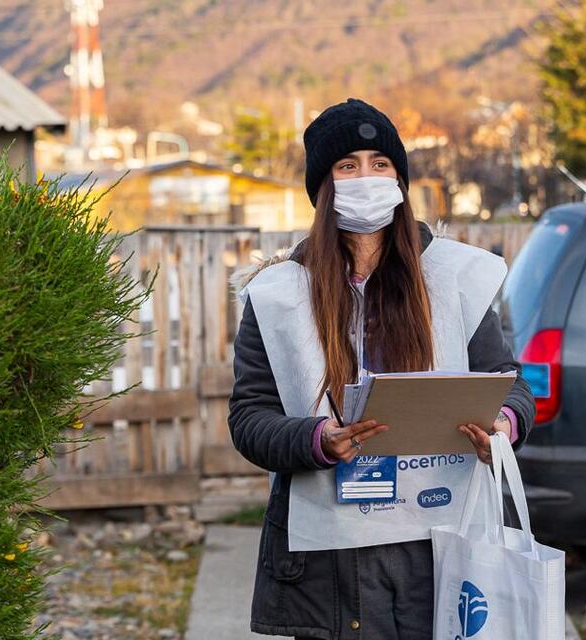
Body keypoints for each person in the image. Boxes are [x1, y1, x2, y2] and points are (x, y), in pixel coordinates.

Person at [227, 98, 535, 640]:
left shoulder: (452, 276)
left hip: (437, 546)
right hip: (332, 565)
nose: (365, 177)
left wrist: (504, 427)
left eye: (380, 163)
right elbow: (250, 417)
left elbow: (510, 385)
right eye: (347, 166)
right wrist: (317, 439)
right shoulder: (278, 295)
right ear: (323, 187)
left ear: (399, 178)